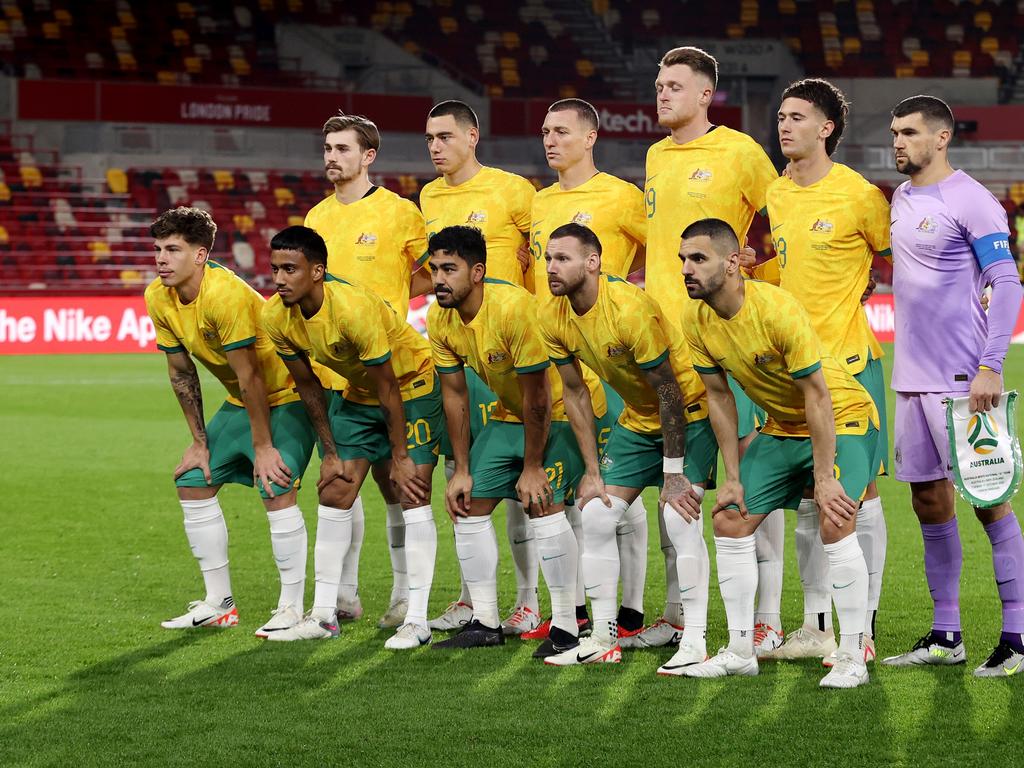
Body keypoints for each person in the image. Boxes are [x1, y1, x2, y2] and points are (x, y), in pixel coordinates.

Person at [679, 218, 879, 689]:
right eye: (683, 259)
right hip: (782, 427)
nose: (686, 269)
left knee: (835, 516)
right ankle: (741, 649)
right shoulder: (695, 318)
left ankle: (852, 653)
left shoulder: (777, 309)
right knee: (729, 515)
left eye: (699, 259)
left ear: (732, 264)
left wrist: (826, 476)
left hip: (843, 415)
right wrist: (730, 475)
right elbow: (721, 399)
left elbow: (818, 396)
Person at [633, 45, 779, 649]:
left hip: (729, 341)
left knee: (747, 492)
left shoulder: (741, 152)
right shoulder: (655, 155)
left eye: (674, 85)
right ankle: (674, 615)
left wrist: (760, 265)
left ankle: (767, 622)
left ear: (704, 95)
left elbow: (784, 218)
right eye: (659, 84)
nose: (662, 93)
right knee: (682, 494)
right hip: (670, 345)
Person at [882, 96, 1024, 677]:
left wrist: (992, 365)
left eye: (909, 132)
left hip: (965, 381)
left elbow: (1007, 282)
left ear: (941, 138)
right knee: (927, 502)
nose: (898, 142)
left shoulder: (972, 200)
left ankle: (1017, 637)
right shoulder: (900, 196)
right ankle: (947, 634)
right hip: (911, 379)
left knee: (990, 501)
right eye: (894, 132)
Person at [752, 78, 891, 665]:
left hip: (852, 368)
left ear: (826, 128)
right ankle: (815, 627)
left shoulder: (859, 195)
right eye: (781, 116)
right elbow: (787, 269)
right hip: (793, 372)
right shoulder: (777, 195)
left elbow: (897, 261)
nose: (784, 126)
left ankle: (866, 625)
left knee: (856, 496)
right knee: (812, 499)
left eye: (797, 117)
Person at [539, 223, 718, 671]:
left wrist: (673, 474)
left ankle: (694, 639)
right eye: (547, 258)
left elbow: (671, 393)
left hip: (690, 412)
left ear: (593, 262)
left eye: (563, 258)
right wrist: (591, 471)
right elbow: (575, 393)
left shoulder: (630, 310)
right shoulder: (551, 316)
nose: (551, 267)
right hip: (638, 421)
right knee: (596, 513)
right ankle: (602, 637)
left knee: (678, 519)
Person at [259, 226, 442, 649]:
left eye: (291, 269)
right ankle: (323, 614)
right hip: (357, 396)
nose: (280, 278)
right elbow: (307, 385)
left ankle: (416, 619)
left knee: (411, 489)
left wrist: (399, 455)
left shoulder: (352, 308)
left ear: (318, 271)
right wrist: (329, 450)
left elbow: (389, 386)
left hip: (412, 387)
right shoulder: (275, 315)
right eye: (275, 269)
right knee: (335, 491)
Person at [145, 207, 325, 638]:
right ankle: (218, 603)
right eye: (158, 250)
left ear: (201, 255)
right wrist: (199, 441)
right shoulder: (157, 296)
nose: (161, 259)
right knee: (192, 478)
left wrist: (263, 448)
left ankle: (290, 608)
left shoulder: (224, 295)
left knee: (275, 483)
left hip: (289, 397)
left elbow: (253, 377)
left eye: (173, 250)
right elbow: (181, 373)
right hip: (239, 402)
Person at [420, 100, 555, 636]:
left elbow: (543, 257)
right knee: (470, 477)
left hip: (514, 349)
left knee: (528, 483)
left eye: (445, 137)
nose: (435, 147)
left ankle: (528, 600)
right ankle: (471, 599)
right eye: (429, 138)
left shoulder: (514, 191)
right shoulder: (428, 197)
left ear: (472, 137)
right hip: (463, 348)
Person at [426, 225, 583, 655]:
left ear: (477, 272)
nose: (439, 278)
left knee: (542, 504)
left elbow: (540, 396)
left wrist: (532, 467)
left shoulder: (515, 309)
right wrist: (460, 469)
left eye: (450, 269)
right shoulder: (440, 317)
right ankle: (485, 621)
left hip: (561, 416)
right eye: (434, 268)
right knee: (468, 502)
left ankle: (567, 626)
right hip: (509, 417)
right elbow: (455, 396)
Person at [529, 98, 651, 643]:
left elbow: (668, 258)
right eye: (545, 131)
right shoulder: (536, 203)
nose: (550, 140)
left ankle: (637, 610)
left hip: (615, 366)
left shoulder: (623, 197)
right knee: (575, 491)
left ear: (590, 137)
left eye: (561, 131)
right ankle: (578, 612)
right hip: (557, 361)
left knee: (624, 496)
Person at [304, 113, 430, 628]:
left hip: (392, 371)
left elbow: (431, 272)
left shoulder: (399, 213)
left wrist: (389, 305)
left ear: (367, 156)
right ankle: (345, 596)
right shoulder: (316, 217)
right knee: (339, 480)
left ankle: (403, 595)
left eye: (342, 148)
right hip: (336, 376)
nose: (332, 156)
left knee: (395, 486)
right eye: (327, 147)